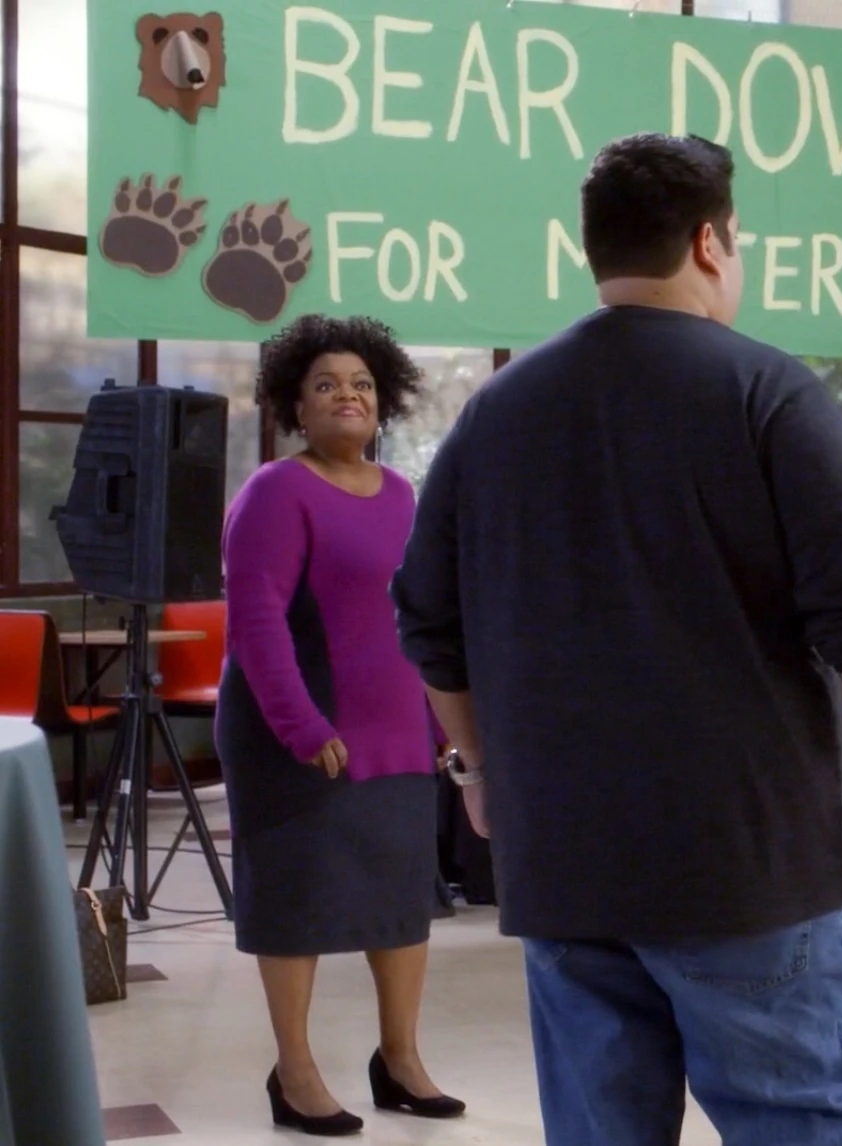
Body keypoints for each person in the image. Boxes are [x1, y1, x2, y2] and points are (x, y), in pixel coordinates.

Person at [390, 132, 842, 1146]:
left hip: (563, 863)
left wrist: (476, 769)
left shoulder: (496, 413)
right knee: (798, 1128)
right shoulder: (767, 392)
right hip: (745, 861)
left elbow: (429, 620)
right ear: (707, 242)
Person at [217, 314, 464, 1136]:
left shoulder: (401, 495)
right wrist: (299, 725)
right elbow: (256, 623)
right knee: (296, 901)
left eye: (361, 383)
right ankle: (294, 1073)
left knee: (401, 901)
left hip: (395, 731)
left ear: (382, 400)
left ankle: (401, 1062)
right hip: (297, 734)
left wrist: (437, 718)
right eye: (325, 384)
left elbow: (416, 616)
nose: (346, 395)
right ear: (296, 404)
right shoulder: (274, 492)